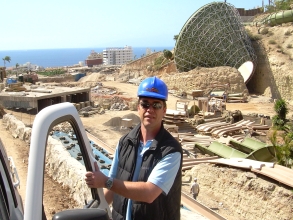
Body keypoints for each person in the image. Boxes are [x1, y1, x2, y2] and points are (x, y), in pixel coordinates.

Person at [85, 76, 183, 220]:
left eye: (156, 105)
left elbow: (149, 193)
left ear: (164, 110)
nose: (150, 109)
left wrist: (105, 181)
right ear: (138, 107)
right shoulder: (124, 143)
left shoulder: (171, 151)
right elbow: (112, 189)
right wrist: (91, 212)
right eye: (145, 104)